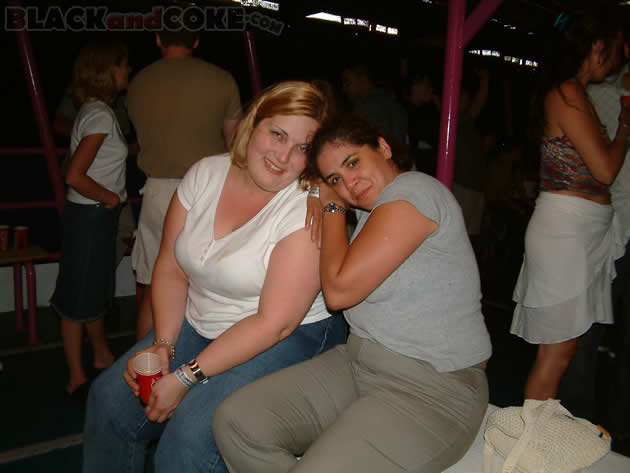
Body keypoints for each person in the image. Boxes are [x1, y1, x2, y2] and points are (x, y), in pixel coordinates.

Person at [82, 81, 347, 473]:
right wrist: (163, 344)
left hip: (289, 335)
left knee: (189, 440)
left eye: (303, 147)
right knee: (109, 402)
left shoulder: (304, 209)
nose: (283, 156)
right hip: (206, 319)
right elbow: (171, 267)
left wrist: (185, 377)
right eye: (277, 134)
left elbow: (274, 323)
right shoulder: (205, 173)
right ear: (253, 123)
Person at [213, 115, 492, 473]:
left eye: (353, 162)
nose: (349, 183)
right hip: (358, 365)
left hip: (430, 391)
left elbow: (339, 291)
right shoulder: (370, 214)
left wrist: (332, 204)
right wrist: (319, 187)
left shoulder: (415, 191)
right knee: (237, 422)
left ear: (384, 147)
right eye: (336, 179)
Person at [511, 10, 630, 403]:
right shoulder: (567, 94)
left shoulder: (575, 93)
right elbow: (605, 169)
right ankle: (531, 435)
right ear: (597, 47)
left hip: (579, 233)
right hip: (567, 234)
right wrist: (626, 124)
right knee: (555, 356)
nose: (620, 59)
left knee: (562, 353)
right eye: (616, 48)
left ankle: (540, 431)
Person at [127, 28, 242, 339]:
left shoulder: (138, 82)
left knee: (155, 284)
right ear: (196, 40)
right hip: (210, 191)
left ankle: (147, 361)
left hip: (157, 192)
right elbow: (236, 146)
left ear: (158, 39)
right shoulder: (221, 79)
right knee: (209, 285)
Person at [50, 40, 131, 397]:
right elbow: (75, 174)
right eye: (123, 64)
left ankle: (100, 355)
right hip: (91, 216)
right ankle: (76, 378)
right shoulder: (99, 115)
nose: (128, 70)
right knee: (76, 298)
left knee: (93, 289)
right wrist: (110, 197)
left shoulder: (93, 109)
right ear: (108, 70)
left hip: (90, 216)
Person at [586, 30, 630, 443]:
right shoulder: (597, 96)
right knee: (585, 333)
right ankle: (571, 427)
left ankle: (621, 428)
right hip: (603, 230)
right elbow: (598, 171)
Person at [341, 62, 408, 146]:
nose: (344, 89)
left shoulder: (364, 106)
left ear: (363, 79)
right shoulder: (392, 101)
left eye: (347, 82)